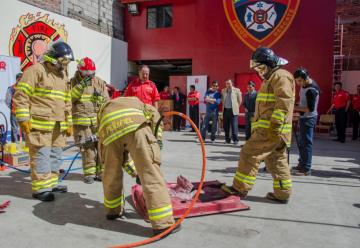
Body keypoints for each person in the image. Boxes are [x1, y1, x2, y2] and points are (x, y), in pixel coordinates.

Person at [98, 96, 180, 236]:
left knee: (111, 173)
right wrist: (157, 139)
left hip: (108, 131)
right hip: (135, 126)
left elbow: (119, 157)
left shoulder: (106, 107)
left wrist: (135, 173)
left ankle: (113, 211)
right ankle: (163, 224)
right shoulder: (141, 104)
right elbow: (156, 117)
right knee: (150, 172)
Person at [223, 47, 295, 203]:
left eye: (261, 68)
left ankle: (239, 188)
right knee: (276, 161)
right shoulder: (271, 78)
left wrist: (275, 126)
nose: (260, 72)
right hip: (274, 131)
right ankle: (283, 193)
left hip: (271, 130)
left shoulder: (281, 76)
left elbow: (284, 103)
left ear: (269, 64)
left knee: (249, 154)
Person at [13, 41, 74, 202]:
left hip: (58, 125)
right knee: (41, 155)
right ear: (53, 57)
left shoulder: (63, 76)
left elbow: (67, 101)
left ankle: (52, 183)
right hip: (39, 124)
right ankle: (41, 188)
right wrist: (23, 118)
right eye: (63, 61)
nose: (65, 65)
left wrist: (69, 122)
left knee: (55, 155)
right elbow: (21, 96)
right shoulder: (36, 71)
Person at [70, 57, 110, 184]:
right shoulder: (73, 82)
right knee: (87, 148)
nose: (89, 77)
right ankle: (89, 174)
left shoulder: (99, 82)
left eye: (91, 74)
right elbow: (69, 98)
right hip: (82, 121)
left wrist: (99, 99)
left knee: (101, 146)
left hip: (97, 121)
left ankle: (101, 173)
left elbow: (106, 101)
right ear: (79, 71)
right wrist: (81, 86)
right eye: (86, 74)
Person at [292, 68, 320, 176]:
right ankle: (302, 163)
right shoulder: (304, 86)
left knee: (307, 143)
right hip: (304, 118)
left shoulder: (311, 90)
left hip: (309, 118)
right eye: (296, 81)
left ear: (305, 78)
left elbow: (309, 109)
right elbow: (303, 101)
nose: (298, 83)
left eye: (299, 81)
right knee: (302, 143)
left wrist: (294, 108)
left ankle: (306, 168)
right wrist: (298, 105)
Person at [221, 79, 242, 144]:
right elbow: (222, 100)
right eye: (227, 83)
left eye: (229, 83)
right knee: (226, 126)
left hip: (233, 111)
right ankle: (227, 140)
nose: (228, 85)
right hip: (225, 110)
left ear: (232, 83)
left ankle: (235, 140)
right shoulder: (223, 90)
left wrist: (236, 107)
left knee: (234, 126)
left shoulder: (237, 90)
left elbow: (240, 100)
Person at [5, 73, 23, 142]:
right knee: (16, 129)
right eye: (20, 79)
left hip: (22, 112)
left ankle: (22, 145)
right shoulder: (12, 88)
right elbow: (8, 101)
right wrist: (13, 108)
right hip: (16, 112)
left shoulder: (25, 88)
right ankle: (16, 145)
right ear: (17, 79)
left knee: (23, 129)